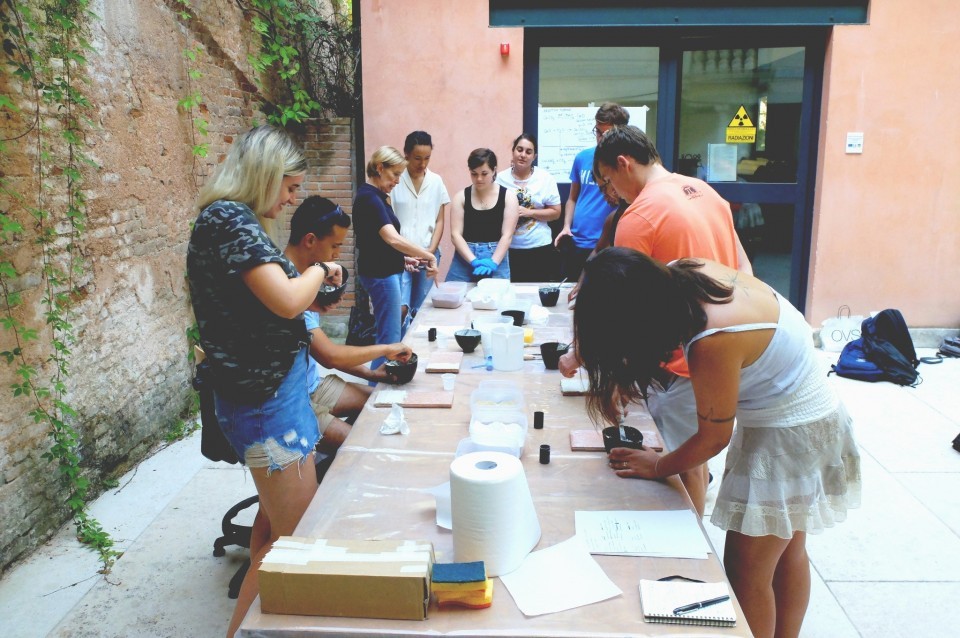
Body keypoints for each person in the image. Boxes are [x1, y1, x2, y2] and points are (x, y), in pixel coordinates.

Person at [574, 248, 861, 638]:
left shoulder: (711, 339)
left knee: (747, 572)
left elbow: (713, 439)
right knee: (787, 549)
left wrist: (657, 465)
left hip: (789, 437)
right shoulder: (681, 273)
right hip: (811, 415)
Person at [185, 125, 339, 638]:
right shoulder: (228, 220)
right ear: (263, 176)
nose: (293, 198)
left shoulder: (234, 222)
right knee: (296, 540)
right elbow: (290, 300)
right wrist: (321, 269)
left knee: (272, 532)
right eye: (290, 186)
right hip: (266, 405)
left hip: (272, 395)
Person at [560, 124, 753, 516]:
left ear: (623, 163)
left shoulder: (641, 215)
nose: (612, 193)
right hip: (724, 343)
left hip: (682, 356)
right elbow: (744, 267)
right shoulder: (704, 192)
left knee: (689, 463)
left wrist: (580, 355)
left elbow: (618, 304)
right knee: (693, 456)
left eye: (609, 181)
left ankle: (691, 556)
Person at [284, 196, 413, 453]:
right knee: (366, 449)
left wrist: (373, 374)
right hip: (295, 404)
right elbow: (330, 355)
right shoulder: (290, 284)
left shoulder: (304, 277)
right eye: (334, 246)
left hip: (314, 386)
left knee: (384, 404)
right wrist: (385, 349)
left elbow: (322, 355)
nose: (336, 255)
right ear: (310, 240)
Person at [353, 146, 439, 370]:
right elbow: (392, 238)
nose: (398, 181)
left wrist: (403, 260)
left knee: (388, 336)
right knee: (389, 340)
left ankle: (378, 389)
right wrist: (427, 254)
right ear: (380, 168)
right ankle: (376, 395)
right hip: (380, 276)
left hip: (384, 272)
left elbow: (376, 242)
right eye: (395, 174)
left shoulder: (377, 197)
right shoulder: (369, 198)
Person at [554, 102, 629, 282]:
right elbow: (572, 198)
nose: (600, 138)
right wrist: (566, 226)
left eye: (607, 133)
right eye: (597, 131)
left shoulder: (625, 163)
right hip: (578, 240)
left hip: (608, 242)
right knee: (571, 290)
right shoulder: (583, 157)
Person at [391, 131, 451, 330]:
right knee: (400, 309)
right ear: (406, 154)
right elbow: (389, 222)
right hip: (400, 257)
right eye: (418, 158)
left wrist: (429, 252)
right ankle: (395, 353)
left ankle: (416, 355)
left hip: (429, 255)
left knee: (421, 310)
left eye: (427, 158)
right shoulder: (395, 181)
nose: (423, 164)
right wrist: (405, 253)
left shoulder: (436, 181)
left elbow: (440, 220)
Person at [496, 133, 561, 282]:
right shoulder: (500, 179)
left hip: (539, 248)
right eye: (519, 149)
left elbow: (556, 213)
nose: (523, 155)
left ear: (534, 156)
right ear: (513, 151)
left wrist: (529, 212)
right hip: (508, 249)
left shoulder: (545, 178)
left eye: (528, 151)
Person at [447, 148, 519, 282]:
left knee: (497, 300)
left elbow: (507, 235)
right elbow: (455, 235)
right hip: (464, 257)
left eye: (484, 173)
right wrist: (473, 261)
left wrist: (494, 262)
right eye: (474, 174)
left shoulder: (508, 197)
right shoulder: (460, 197)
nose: (479, 178)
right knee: (454, 299)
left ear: (494, 170)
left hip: (497, 255)